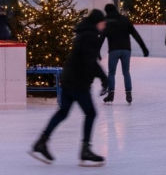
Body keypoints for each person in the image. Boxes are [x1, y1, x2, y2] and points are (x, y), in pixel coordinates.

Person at [30, 9, 109, 166]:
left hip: (68, 79)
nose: (104, 25)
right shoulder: (91, 36)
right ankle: (85, 149)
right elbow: (90, 61)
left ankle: (41, 142)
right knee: (91, 113)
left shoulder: (83, 33)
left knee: (63, 112)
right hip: (78, 82)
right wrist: (103, 78)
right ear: (97, 22)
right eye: (103, 22)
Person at [99, 2, 149, 104]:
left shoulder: (107, 21)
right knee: (126, 72)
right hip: (126, 50)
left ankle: (111, 95)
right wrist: (144, 48)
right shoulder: (125, 20)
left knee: (111, 73)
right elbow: (136, 35)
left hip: (114, 50)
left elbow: (101, 38)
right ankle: (129, 94)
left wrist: (96, 51)